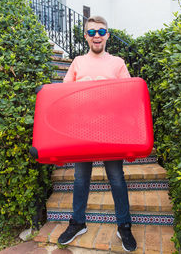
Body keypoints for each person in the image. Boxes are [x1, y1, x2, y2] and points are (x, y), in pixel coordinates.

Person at [57, 16, 137, 252]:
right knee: (81, 178)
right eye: (91, 32)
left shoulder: (118, 63)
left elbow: (129, 93)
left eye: (101, 31)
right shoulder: (77, 63)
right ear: (86, 37)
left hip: (111, 131)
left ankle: (123, 225)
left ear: (108, 35)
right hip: (83, 131)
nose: (97, 36)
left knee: (117, 179)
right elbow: (64, 94)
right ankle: (78, 222)